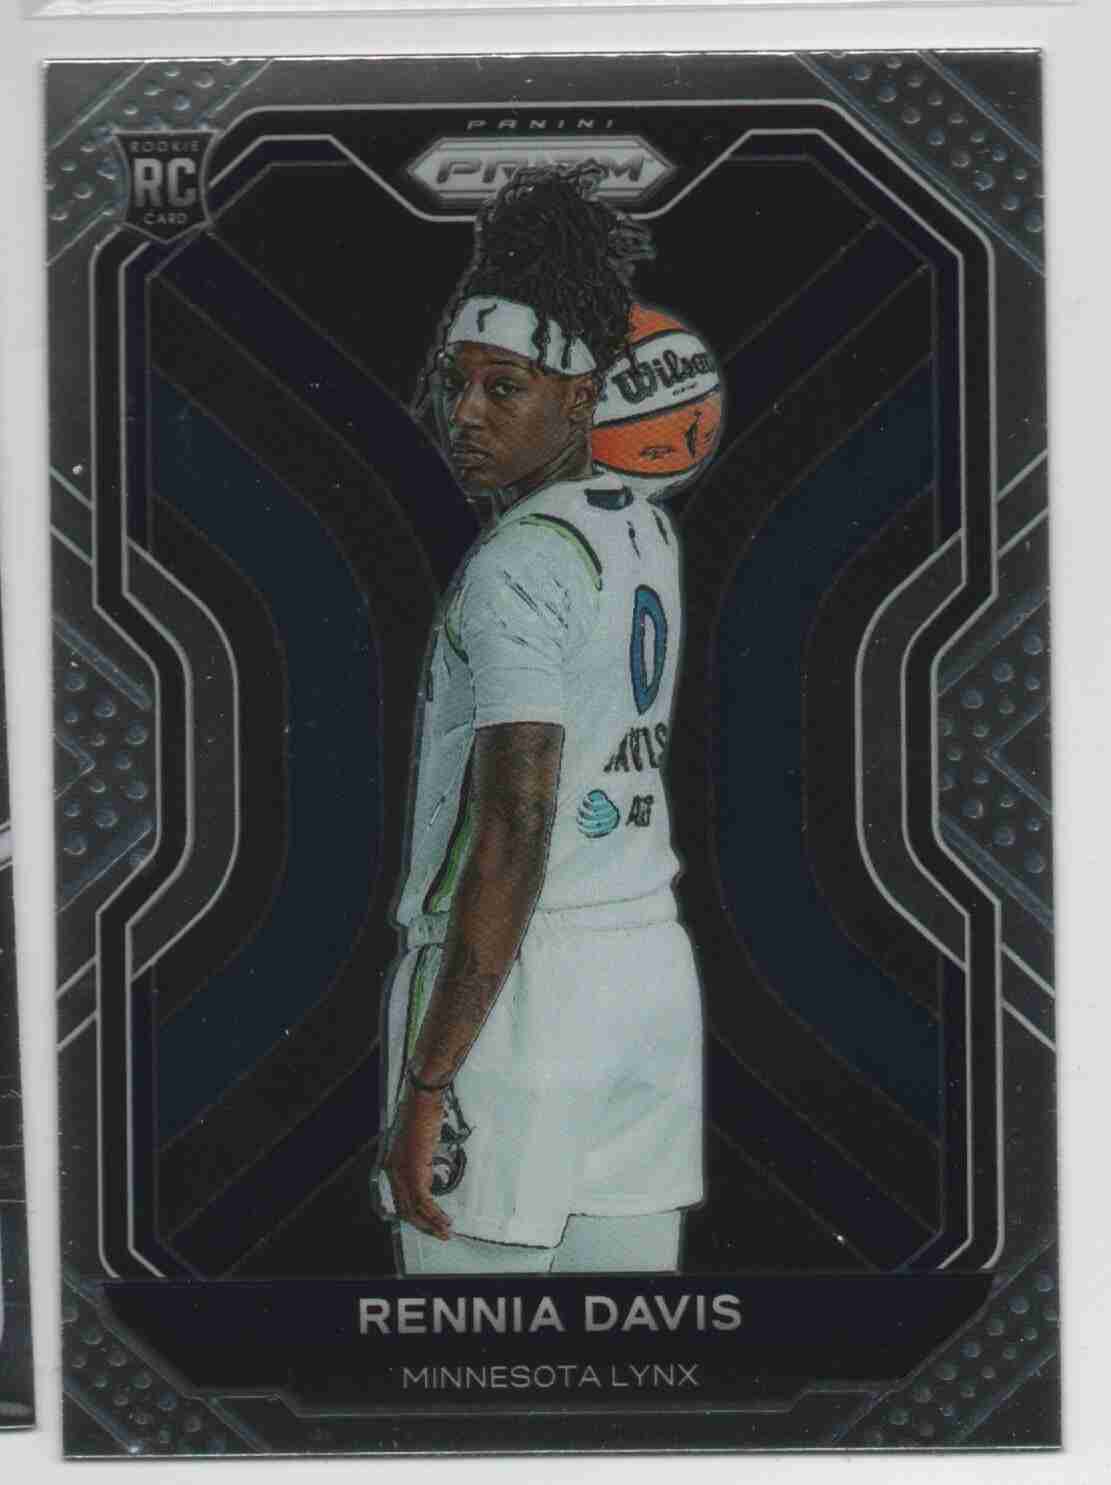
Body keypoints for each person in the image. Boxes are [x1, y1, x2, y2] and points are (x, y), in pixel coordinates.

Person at [377, 163, 704, 1276]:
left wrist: (430, 1078)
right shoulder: (643, 527)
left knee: (466, 1342)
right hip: (646, 973)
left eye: (503, 387)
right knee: (627, 1332)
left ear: (580, 398)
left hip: (521, 987)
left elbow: (515, 824)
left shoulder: (514, 566)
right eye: (454, 383)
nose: (465, 413)